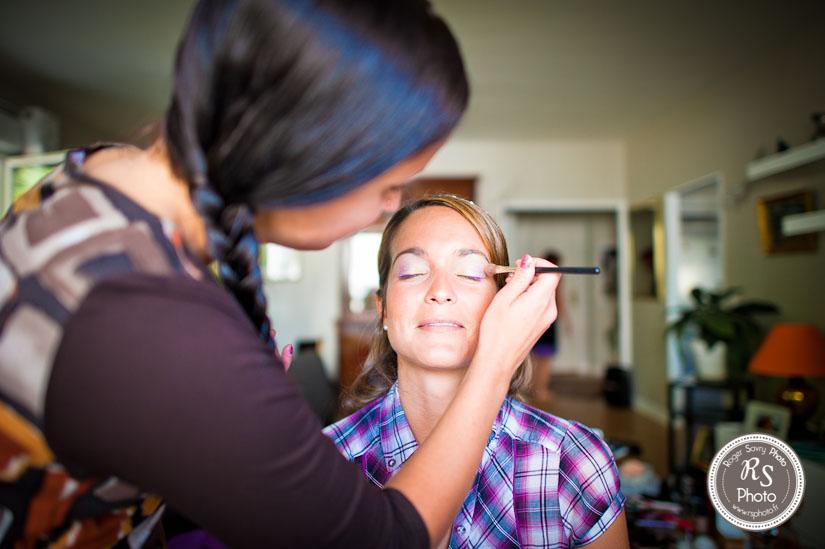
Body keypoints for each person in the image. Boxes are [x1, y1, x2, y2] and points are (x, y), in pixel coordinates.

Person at [0, 1, 562, 547]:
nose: (389, 206)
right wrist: (495, 361)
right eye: (390, 184)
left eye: (469, 273)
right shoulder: (153, 316)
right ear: (309, 152)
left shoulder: (105, 173)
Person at [324, 195, 628, 548]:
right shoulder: (325, 467)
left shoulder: (574, 460)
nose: (440, 292)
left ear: (502, 301)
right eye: (412, 272)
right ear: (384, 310)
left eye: (470, 273)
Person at [529, 250, 568, 402]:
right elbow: (560, 298)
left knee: (537, 359)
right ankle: (541, 390)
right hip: (548, 321)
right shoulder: (554, 276)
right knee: (544, 359)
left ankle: (535, 389)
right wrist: (565, 319)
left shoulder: (537, 275)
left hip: (537, 318)